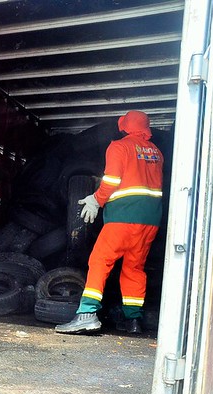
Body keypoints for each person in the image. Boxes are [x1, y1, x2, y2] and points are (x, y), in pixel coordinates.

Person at [55, 111, 163, 335]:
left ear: (124, 125)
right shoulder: (156, 153)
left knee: (100, 261)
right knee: (134, 268)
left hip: (123, 217)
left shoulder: (119, 146)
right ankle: (133, 320)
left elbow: (112, 180)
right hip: (150, 220)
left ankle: (86, 315)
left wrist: (96, 200)